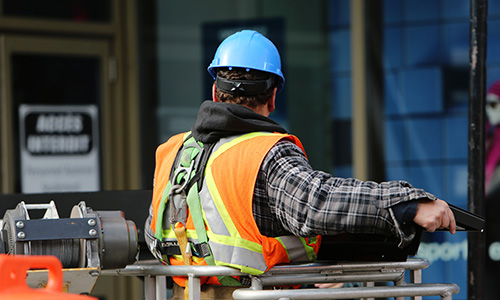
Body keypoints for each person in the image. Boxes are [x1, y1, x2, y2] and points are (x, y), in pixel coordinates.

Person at [144, 30, 456, 299]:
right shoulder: (264, 152)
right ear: (273, 97)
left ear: (215, 91)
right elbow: (316, 203)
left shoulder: (172, 151)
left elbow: (155, 233)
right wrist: (407, 205)